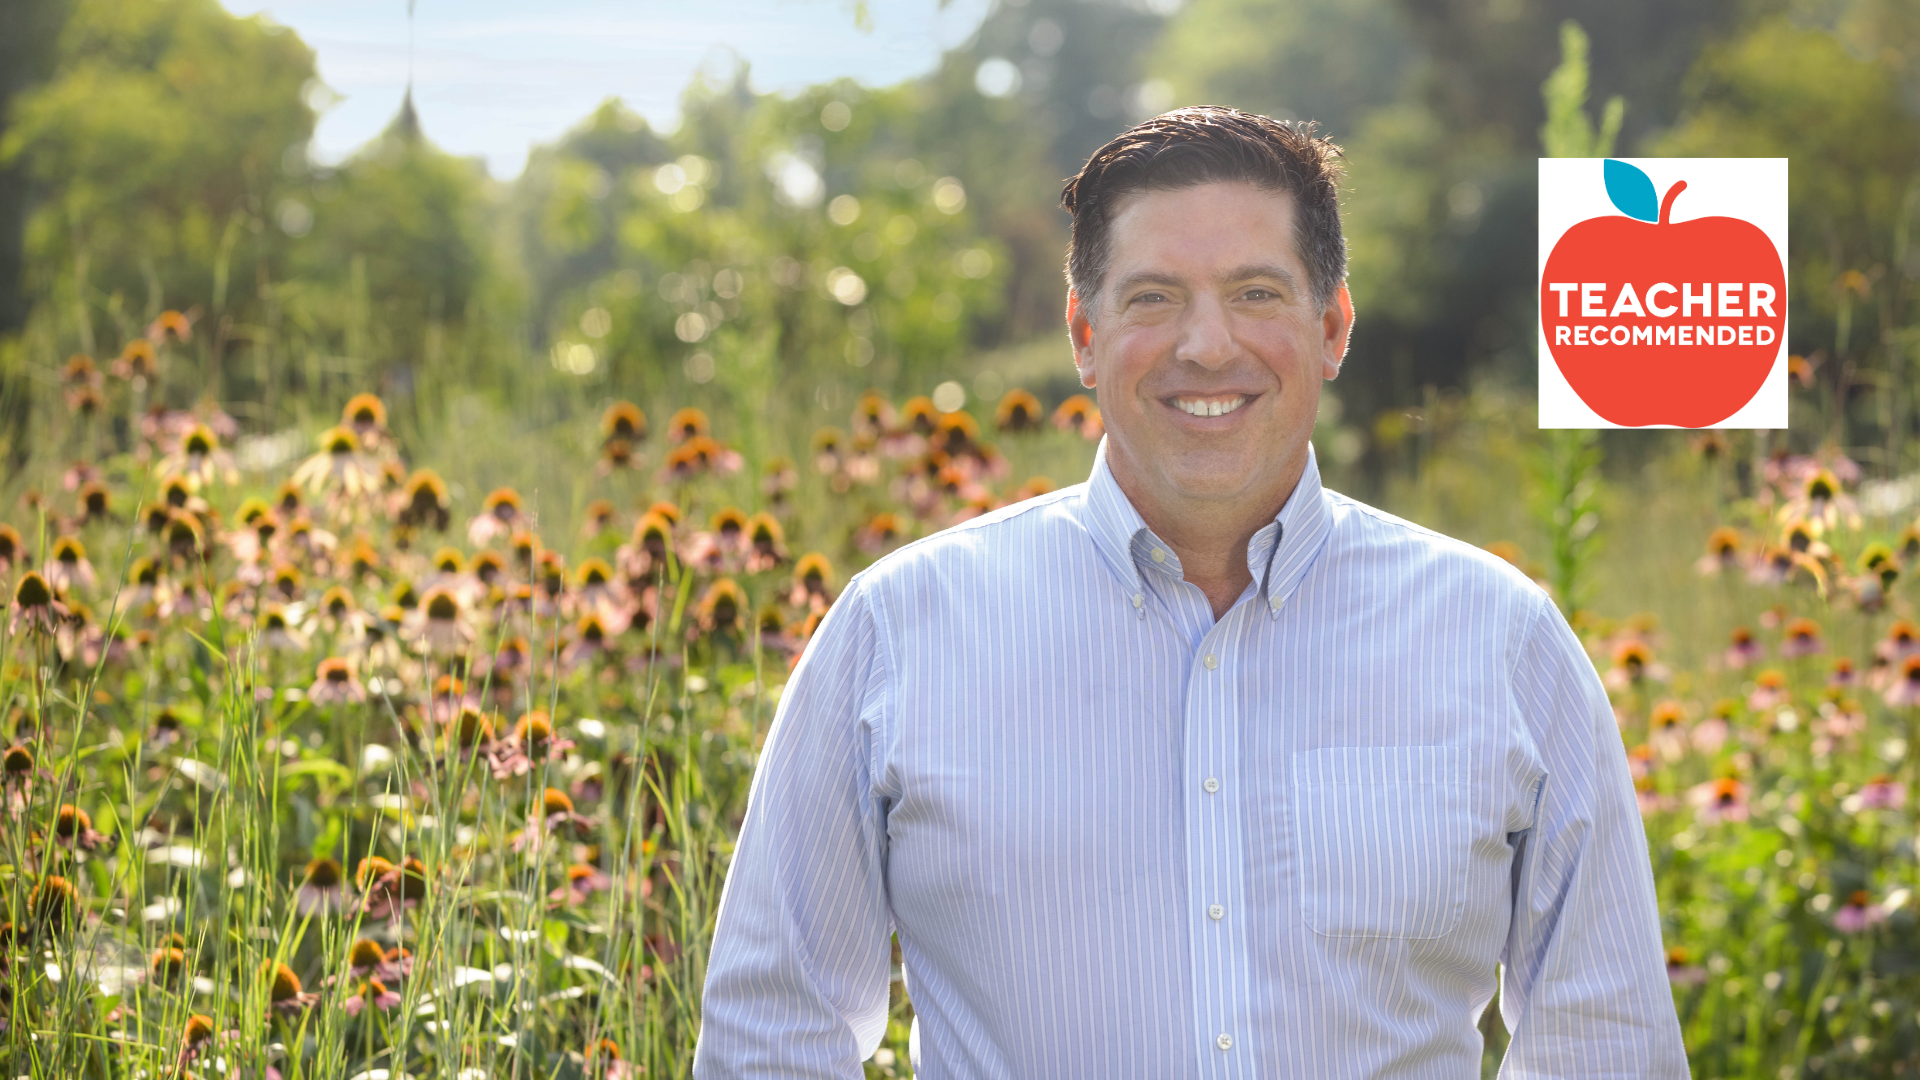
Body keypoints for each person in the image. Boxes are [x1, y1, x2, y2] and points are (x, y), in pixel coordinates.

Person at [693, 106, 1687, 1078]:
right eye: (1154, 298)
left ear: (1332, 327)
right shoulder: (898, 630)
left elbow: (1605, 1041)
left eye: (1256, 293)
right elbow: (773, 1035)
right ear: (1085, 334)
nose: (1208, 345)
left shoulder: (1499, 640)